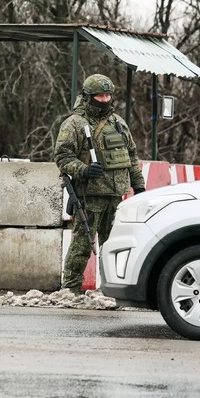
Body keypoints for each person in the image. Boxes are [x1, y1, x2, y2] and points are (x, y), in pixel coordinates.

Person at [54, 74, 146, 292]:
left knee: (114, 245)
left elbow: (131, 156)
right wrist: (84, 170)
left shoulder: (118, 123)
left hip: (116, 195)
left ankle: (112, 289)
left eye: (107, 95)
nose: (104, 100)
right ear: (88, 97)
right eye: (99, 96)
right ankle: (70, 289)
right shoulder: (75, 124)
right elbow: (62, 157)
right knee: (82, 245)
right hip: (90, 196)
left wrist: (139, 185)